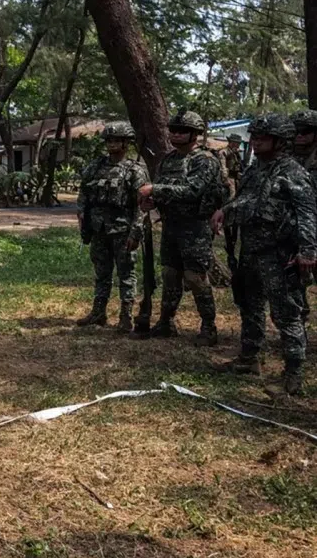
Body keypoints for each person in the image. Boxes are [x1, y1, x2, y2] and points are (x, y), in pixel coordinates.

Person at [212, 114, 316, 397]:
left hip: (278, 254)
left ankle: (293, 376)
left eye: (262, 138)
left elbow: (307, 213)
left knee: (286, 314)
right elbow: (247, 200)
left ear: (279, 141)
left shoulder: (292, 172)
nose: (255, 142)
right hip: (251, 250)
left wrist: (307, 251)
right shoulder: (255, 170)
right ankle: (250, 358)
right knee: (249, 304)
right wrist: (227, 210)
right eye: (254, 137)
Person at [137, 110, 224, 346]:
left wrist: (154, 190)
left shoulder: (205, 160)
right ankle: (166, 322)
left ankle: (208, 327)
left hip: (195, 227)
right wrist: (151, 202)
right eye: (173, 130)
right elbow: (163, 190)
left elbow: (192, 191)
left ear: (194, 134)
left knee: (195, 277)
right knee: (170, 274)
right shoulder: (168, 160)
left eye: (182, 131)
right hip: (171, 225)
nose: (176, 135)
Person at [75, 122, 150, 331]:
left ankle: (126, 317)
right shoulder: (95, 167)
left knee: (126, 275)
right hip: (99, 229)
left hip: (122, 230)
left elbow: (140, 206)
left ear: (126, 143)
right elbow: (84, 193)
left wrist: (135, 232)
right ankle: (98, 312)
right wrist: (81, 214)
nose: (112, 144)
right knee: (102, 273)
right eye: (109, 140)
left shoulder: (135, 171)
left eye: (117, 140)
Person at [290, 109, 317, 324]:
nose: (299, 136)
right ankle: (297, 329)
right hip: (293, 227)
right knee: (293, 281)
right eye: (295, 131)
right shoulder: (286, 157)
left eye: (305, 131)